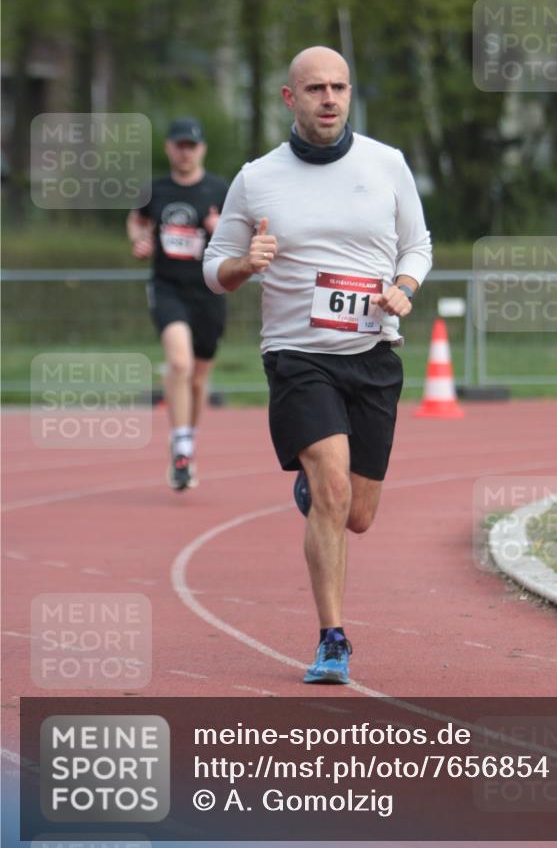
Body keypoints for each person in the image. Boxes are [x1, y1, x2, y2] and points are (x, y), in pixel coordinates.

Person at [203, 47, 432, 683]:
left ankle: (315, 491)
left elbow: (418, 244)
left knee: (357, 514)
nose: (328, 99)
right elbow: (213, 269)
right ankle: (332, 639)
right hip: (298, 355)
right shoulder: (257, 178)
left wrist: (404, 288)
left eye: (338, 87)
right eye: (314, 89)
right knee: (332, 488)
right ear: (289, 98)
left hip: (373, 351)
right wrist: (246, 264)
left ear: (350, 93)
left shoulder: (386, 163)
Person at [127, 117, 228, 490]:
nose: (185, 152)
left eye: (192, 145)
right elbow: (136, 222)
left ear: (201, 149)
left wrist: (222, 231)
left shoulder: (219, 188)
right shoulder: (155, 190)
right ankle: (182, 450)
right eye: (179, 145)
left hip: (208, 292)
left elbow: (240, 236)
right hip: (168, 288)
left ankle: (186, 438)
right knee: (180, 363)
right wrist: (139, 241)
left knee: (199, 379)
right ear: (169, 148)